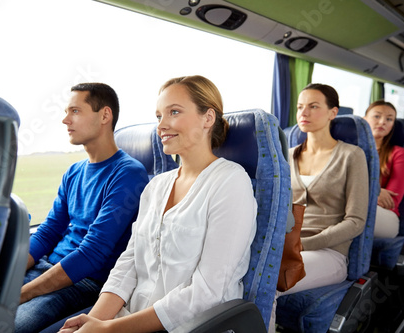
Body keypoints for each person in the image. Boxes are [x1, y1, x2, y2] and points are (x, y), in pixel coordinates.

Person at [58, 75, 258, 333]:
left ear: (208, 118)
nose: (161, 125)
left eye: (173, 112)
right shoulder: (156, 186)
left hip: (189, 326)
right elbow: (128, 264)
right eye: (158, 117)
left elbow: (208, 291)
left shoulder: (230, 182)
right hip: (128, 318)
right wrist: (94, 321)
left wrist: (109, 330)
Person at [15, 83, 149, 333]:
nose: (65, 120)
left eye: (75, 111)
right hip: (48, 267)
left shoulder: (128, 174)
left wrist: (21, 293)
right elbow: (47, 233)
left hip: (84, 281)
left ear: (104, 116)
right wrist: (8, 275)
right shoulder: (73, 172)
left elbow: (93, 253)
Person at [272, 84, 369, 331]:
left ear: (332, 112)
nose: (304, 113)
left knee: (268, 283)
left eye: (314, 106)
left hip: (329, 253)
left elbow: (356, 221)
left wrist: (305, 244)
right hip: (287, 248)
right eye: (300, 107)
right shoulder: (288, 155)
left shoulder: (352, 155)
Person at [364, 100, 404, 238]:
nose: (383, 122)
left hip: (386, 216)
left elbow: (391, 201)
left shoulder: (399, 153)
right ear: (364, 120)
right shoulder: (350, 151)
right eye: (377, 116)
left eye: (389, 119)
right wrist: (375, 191)